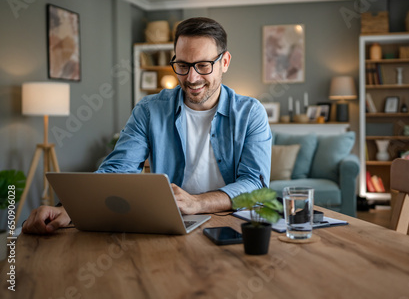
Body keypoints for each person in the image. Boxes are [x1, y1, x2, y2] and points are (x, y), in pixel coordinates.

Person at [22, 17, 272, 234]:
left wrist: (197, 202)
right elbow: (118, 169)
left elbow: (255, 183)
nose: (192, 78)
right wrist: (68, 209)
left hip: (232, 226)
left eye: (203, 66)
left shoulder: (251, 113)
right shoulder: (149, 110)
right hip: (169, 226)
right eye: (183, 66)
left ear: (225, 62)